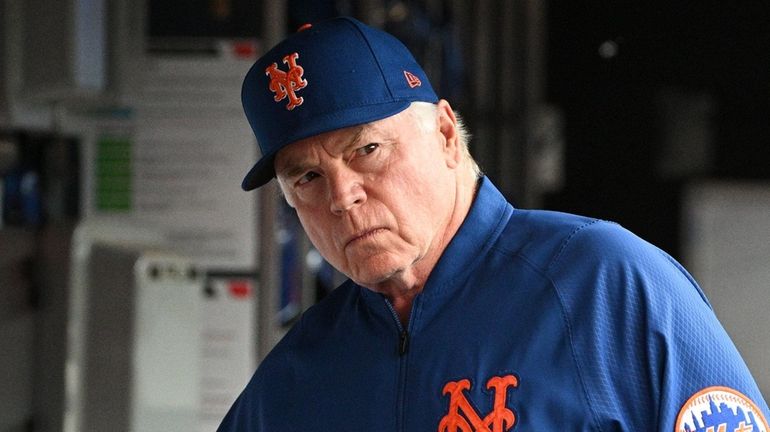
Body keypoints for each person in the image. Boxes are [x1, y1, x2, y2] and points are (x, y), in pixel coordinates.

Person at [219, 16, 769, 431]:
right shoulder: (300, 371)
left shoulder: (601, 281)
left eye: (367, 149)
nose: (343, 197)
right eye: (307, 178)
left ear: (445, 135)